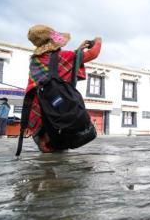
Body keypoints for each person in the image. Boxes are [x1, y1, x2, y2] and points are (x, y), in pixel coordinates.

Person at [24, 24, 102, 152]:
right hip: (60, 108)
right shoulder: (65, 56)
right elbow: (93, 53)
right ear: (53, 40)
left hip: (41, 110)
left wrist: (78, 51)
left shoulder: (35, 61)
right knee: (60, 150)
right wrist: (98, 39)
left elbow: (54, 70)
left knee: (48, 148)